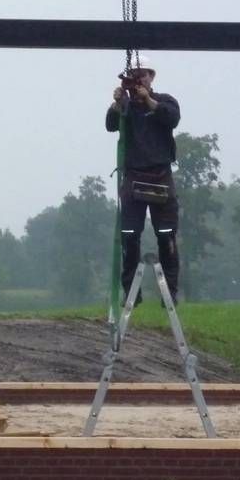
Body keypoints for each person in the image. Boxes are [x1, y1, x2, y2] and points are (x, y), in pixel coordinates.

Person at [106, 55, 181, 304]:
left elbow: (171, 118)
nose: (140, 79)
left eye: (144, 74)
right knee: (129, 236)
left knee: (166, 236)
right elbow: (110, 125)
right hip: (134, 178)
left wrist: (147, 100)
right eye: (135, 75)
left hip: (160, 177)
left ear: (152, 77)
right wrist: (117, 103)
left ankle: (169, 293)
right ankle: (131, 293)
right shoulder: (125, 106)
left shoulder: (164, 101)